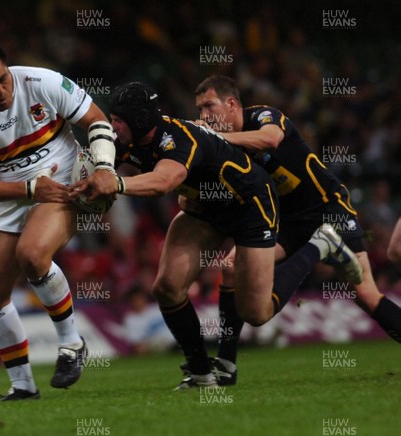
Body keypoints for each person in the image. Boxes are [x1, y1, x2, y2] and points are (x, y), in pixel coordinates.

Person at [74, 82, 362, 390]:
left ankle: (321, 245)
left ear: (141, 120)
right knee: (168, 288)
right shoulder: (125, 139)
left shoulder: (177, 139)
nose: (112, 125)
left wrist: (115, 184)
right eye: (112, 118)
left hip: (251, 204)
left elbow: (163, 181)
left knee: (257, 312)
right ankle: (201, 372)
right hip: (206, 206)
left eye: (119, 119)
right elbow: (96, 168)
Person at [193, 75, 401, 385]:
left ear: (232, 103)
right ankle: (226, 365)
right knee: (232, 265)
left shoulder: (263, 116)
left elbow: (270, 140)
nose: (204, 116)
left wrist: (215, 140)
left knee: (366, 294)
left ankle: (324, 243)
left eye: (209, 106)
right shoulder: (226, 150)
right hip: (289, 221)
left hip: (329, 207)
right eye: (199, 110)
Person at [0, 38, 117, 400]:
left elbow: (97, 120)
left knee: (34, 254)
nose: (1, 89)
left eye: (3, 78)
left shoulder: (43, 82)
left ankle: (71, 344)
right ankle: (23, 386)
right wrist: (28, 189)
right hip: (16, 192)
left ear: (9, 68)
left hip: (64, 181)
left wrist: (102, 167)